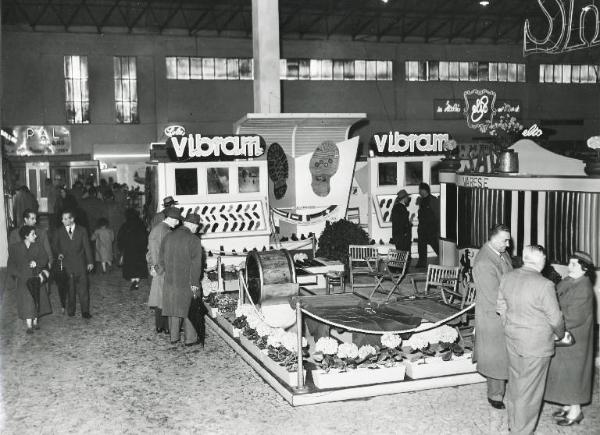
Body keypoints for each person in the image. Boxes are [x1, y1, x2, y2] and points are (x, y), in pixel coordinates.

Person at [497, 245, 565, 435]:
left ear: (525, 258)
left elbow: (501, 306)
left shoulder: (508, 277)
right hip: (536, 345)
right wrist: (560, 334)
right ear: (542, 261)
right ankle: (521, 431)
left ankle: (513, 424)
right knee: (531, 392)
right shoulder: (544, 285)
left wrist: (509, 325)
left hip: (512, 339)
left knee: (516, 384)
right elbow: (556, 319)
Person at [544, 251, 596, 426]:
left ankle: (576, 411)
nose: (569, 267)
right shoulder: (569, 280)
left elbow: (574, 317)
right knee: (564, 375)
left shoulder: (584, 287)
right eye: (570, 263)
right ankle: (567, 405)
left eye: (574, 264)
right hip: (565, 336)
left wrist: (552, 322)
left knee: (574, 376)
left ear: (584, 268)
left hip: (576, 341)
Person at [472, 223, 513, 409]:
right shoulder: (484, 262)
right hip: (493, 315)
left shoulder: (502, 253)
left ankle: (502, 388)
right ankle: (495, 395)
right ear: (494, 239)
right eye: (505, 240)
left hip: (505, 310)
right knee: (495, 357)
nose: (508, 243)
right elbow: (493, 296)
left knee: (503, 355)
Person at [158, 212, 203, 346]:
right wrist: (195, 283)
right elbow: (196, 265)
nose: (197, 229)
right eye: (197, 226)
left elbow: (161, 259)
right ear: (193, 225)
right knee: (190, 307)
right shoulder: (194, 239)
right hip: (187, 280)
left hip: (171, 279)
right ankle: (190, 339)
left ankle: (174, 336)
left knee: (174, 308)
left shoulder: (168, 236)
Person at [7, 225, 52, 333]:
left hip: (36, 277)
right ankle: (29, 326)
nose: (35, 236)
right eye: (33, 234)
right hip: (23, 279)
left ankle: (36, 322)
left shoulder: (38, 246)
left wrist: (37, 263)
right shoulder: (14, 248)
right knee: (27, 302)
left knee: (37, 299)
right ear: (26, 236)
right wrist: (19, 275)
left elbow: (44, 259)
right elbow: (11, 264)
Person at [146, 207, 182, 334]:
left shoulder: (156, 229)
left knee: (159, 298)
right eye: (177, 220)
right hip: (164, 269)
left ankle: (159, 326)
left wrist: (152, 266)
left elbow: (150, 251)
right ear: (171, 219)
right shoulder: (166, 231)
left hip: (157, 268)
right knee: (167, 298)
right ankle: (168, 327)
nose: (178, 223)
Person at [53, 210, 94, 318]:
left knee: (83, 288)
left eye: (67, 218)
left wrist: (90, 261)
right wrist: (58, 253)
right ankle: (71, 310)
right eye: (63, 219)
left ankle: (85, 311)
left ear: (72, 219)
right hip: (67, 264)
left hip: (80, 264)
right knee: (70, 289)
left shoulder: (82, 230)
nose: (64, 221)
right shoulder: (58, 231)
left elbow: (87, 247)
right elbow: (55, 246)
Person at [117, 209, 148, 290]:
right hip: (139, 249)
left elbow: (120, 238)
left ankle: (133, 281)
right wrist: (145, 247)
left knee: (130, 266)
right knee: (138, 266)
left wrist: (121, 248)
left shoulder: (125, 225)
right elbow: (145, 237)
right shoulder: (141, 224)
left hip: (128, 249)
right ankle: (136, 282)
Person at [416, 182, 440, 267]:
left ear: (424, 190)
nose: (419, 192)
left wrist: (437, 229)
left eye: (420, 190)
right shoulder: (421, 200)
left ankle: (443, 259)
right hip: (422, 228)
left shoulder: (433, 200)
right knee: (421, 247)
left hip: (431, 229)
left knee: (435, 245)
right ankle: (421, 263)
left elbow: (438, 215)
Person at [391, 189, 411, 254]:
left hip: (398, 236)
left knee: (401, 256)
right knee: (404, 257)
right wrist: (406, 232)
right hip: (402, 237)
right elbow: (403, 223)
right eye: (407, 197)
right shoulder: (401, 208)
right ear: (404, 198)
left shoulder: (396, 207)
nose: (408, 199)